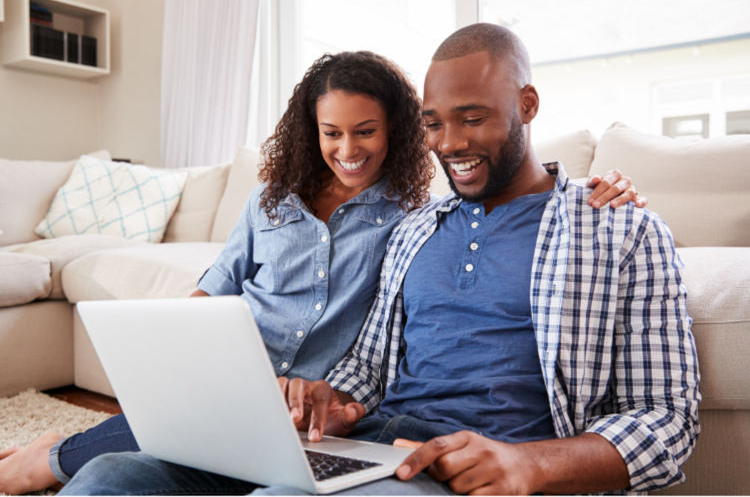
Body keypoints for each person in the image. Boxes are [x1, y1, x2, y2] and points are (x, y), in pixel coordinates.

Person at [0, 48, 641, 496]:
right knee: (115, 472)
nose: (348, 149)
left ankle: (48, 456)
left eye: (366, 131)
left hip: (357, 421)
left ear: (394, 133)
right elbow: (227, 287)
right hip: (271, 390)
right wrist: (192, 358)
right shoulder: (283, 202)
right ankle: (56, 459)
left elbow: (508, 186)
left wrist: (599, 187)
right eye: (331, 133)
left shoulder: (418, 212)